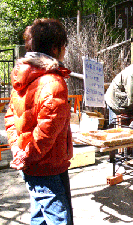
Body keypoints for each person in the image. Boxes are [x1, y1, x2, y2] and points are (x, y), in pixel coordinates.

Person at [5, 19, 74, 224]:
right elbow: (46, 132)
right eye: (63, 46)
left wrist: (18, 150)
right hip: (45, 164)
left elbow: (10, 117)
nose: (64, 50)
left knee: (39, 215)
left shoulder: (24, 76)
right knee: (59, 218)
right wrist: (27, 156)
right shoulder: (53, 82)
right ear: (55, 48)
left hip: (32, 161)